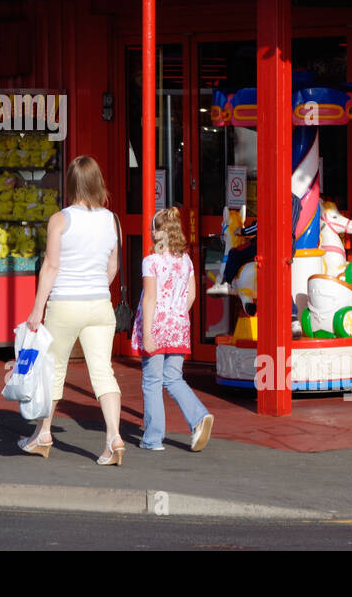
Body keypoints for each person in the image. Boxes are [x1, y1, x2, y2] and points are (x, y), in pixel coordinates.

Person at [19, 155, 125, 465]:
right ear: (97, 183)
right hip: (99, 305)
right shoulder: (112, 220)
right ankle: (114, 438)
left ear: (70, 184)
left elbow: (51, 266)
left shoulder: (60, 219)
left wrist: (37, 308)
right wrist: (95, 288)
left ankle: (43, 433)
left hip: (65, 303)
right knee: (104, 373)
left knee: (54, 371)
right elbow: (112, 266)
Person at [133, 207, 214, 452]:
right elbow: (191, 294)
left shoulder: (151, 261)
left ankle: (153, 438)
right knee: (173, 377)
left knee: (152, 381)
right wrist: (177, 314)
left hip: (156, 325)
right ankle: (199, 417)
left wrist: (147, 333)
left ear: (159, 234)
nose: (149, 233)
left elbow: (150, 298)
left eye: (151, 229)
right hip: (178, 325)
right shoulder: (185, 260)